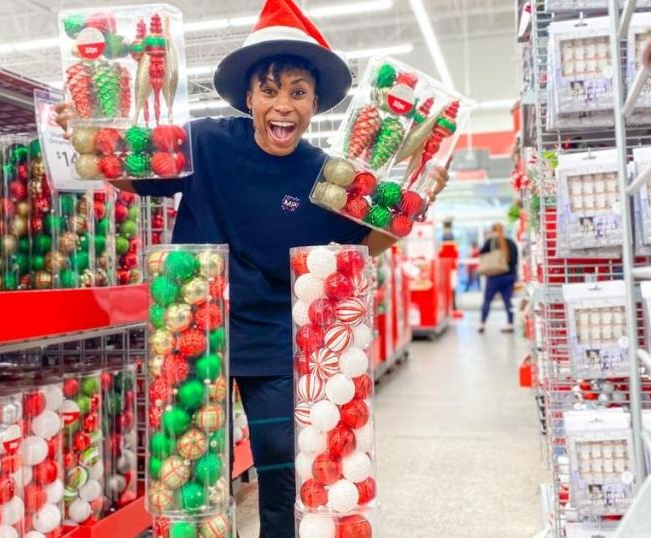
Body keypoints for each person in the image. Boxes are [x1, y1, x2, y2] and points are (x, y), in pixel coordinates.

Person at [58, 1, 450, 535]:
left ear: (314, 102)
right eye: (270, 90)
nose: (282, 106)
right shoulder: (206, 143)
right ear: (249, 97)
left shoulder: (324, 178)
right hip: (193, 332)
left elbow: (355, 251)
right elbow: (132, 176)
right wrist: (87, 133)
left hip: (273, 342)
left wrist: (416, 201)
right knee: (192, 471)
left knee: (283, 468)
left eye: (297, 92)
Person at [478, 223, 518, 333]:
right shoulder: (510, 242)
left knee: (487, 301)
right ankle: (510, 324)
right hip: (509, 277)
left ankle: (482, 324)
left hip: (493, 278)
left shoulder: (490, 242)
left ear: (493, 230)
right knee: (507, 301)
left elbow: (481, 253)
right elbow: (515, 261)